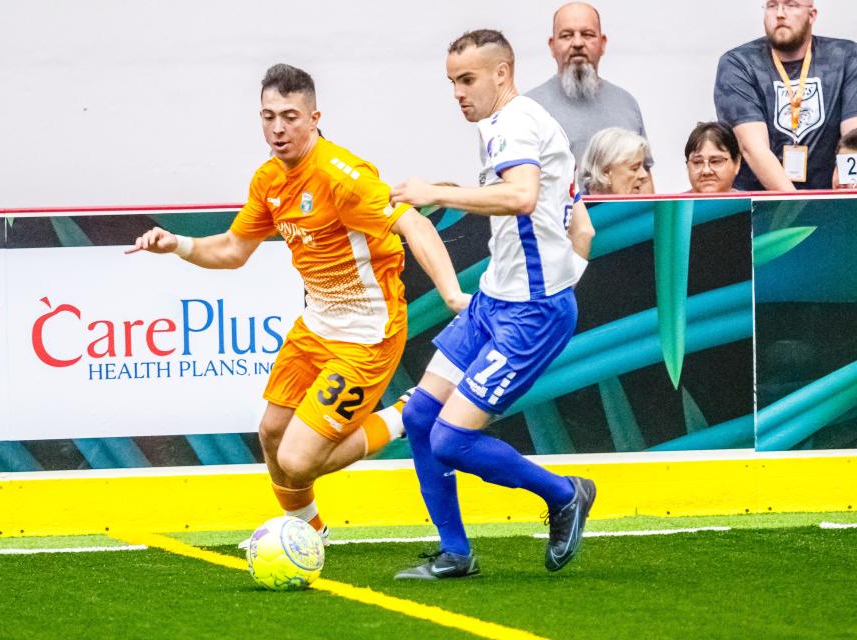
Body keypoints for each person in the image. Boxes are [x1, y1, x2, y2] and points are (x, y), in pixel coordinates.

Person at [128, 63, 468, 542]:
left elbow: (414, 223)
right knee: (271, 431)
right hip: (316, 327)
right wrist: (178, 244)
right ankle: (307, 528)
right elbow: (232, 250)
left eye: (289, 116)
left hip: (366, 336)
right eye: (268, 116)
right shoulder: (269, 180)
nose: (278, 128)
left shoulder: (340, 175)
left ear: (314, 118)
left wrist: (452, 294)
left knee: (295, 459)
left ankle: (407, 414)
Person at [389, 29, 596, 579]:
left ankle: (564, 495)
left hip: (529, 314)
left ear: (502, 74)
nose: (458, 92)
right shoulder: (510, 126)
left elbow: (522, 196)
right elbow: (584, 226)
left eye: (468, 79)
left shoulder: (514, 124)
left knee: (451, 440)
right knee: (420, 414)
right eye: (452, 81)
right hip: (496, 301)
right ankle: (455, 553)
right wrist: (565, 277)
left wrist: (435, 193)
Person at [714, 0, 857, 191]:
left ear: (812, 14)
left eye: (791, 5)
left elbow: (853, 138)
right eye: (772, 5)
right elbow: (752, 147)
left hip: (830, 201)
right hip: (761, 206)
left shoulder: (846, 56)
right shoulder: (738, 63)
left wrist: (848, 190)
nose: (780, 13)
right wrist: (795, 205)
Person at [526, 2, 653, 191]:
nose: (577, 43)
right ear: (552, 46)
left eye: (587, 34)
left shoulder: (626, 104)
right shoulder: (529, 108)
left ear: (603, 44)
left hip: (619, 220)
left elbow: (644, 182)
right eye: (567, 35)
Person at [580, 127, 651, 195]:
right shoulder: (575, 206)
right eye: (635, 168)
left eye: (643, 166)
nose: (644, 175)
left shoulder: (645, 206)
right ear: (605, 173)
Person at [684, 122, 742, 194]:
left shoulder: (751, 204)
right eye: (697, 162)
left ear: (737, 163)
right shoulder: (672, 204)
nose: (706, 171)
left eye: (715, 161)